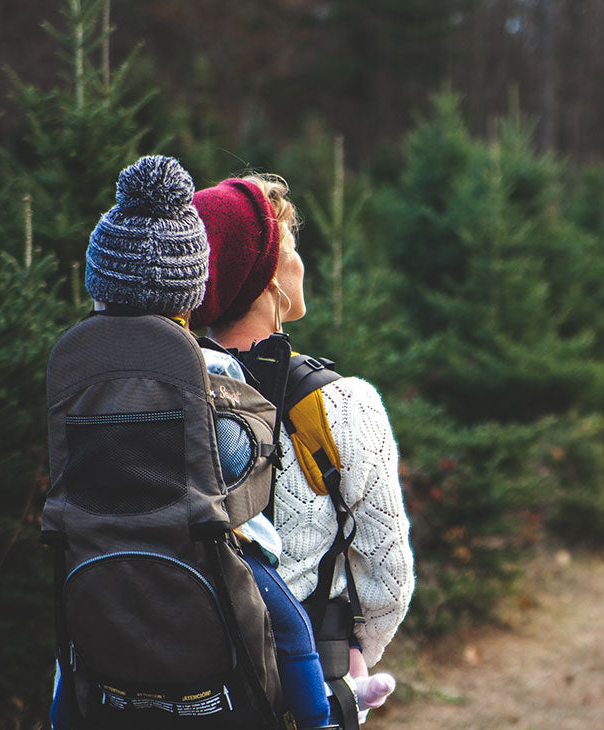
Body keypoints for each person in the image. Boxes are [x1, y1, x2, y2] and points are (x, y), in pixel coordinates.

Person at [51, 154, 336, 729]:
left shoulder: (77, 368)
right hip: (203, 544)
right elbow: (235, 456)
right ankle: (318, 720)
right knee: (290, 627)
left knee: (73, 644)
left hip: (94, 544)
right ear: (189, 292)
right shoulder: (205, 367)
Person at [189, 173, 415, 718]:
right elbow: (390, 582)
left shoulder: (163, 396)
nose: (301, 260)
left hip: (186, 687)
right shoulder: (344, 406)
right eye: (290, 247)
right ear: (267, 279)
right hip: (308, 686)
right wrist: (352, 654)